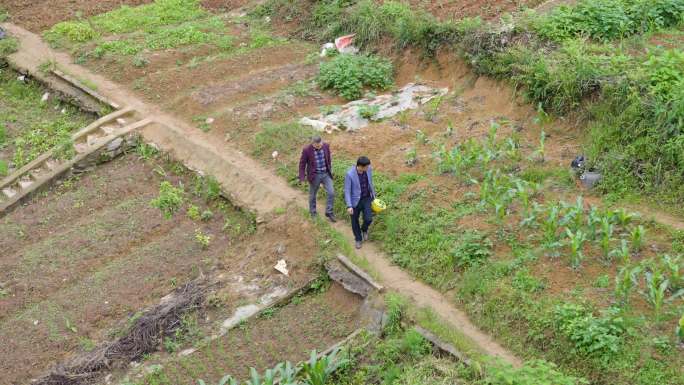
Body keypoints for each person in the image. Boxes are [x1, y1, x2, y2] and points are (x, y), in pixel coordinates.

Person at [299, 135, 336, 222]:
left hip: (326, 174)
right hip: (314, 175)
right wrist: (302, 178)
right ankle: (313, 212)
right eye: (317, 146)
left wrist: (330, 169)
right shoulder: (306, 150)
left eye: (320, 145)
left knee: (331, 192)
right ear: (313, 144)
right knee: (313, 195)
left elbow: (328, 159)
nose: (319, 147)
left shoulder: (326, 146)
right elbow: (302, 164)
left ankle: (329, 212)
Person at [344, 156, 376, 249]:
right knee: (354, 221)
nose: (368, 168)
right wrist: (349, 205)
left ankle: (364, 230)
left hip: (366, 198)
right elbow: (347, 190)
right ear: (360, 166)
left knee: (369, 219)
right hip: (355, 201)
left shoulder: (368, 170)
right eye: (366, 167)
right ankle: (358, 239)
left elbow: (370, 183)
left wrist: (374, 197)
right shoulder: (350, 174)